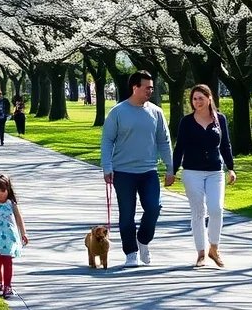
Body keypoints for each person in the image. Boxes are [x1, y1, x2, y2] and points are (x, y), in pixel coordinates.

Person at [100, 70, 175, 267]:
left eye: (152, 87)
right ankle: (131, 252)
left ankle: (143, 240)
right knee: (127, 215)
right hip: (123, 172)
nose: (150, 90)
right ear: (135, 87)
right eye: (147, 87)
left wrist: (170, 167)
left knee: (154, 207)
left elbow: (164, 141)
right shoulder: (118, 112)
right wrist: (107, 167)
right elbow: (107, 141)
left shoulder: (156, 112)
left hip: (149, 171)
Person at [172, 84, 236, 268]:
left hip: (215, 171)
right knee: (199, 212)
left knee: (216, 209)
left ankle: (214, 248)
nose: (197, 102)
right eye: (194, 99)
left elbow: (226, 145)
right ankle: (201, 252)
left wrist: (230, 168)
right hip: (192, 172)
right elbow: (179, 148)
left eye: (201, 98)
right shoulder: (186, 121)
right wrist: (173, 170)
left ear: (209, 98)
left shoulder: (220, 119)